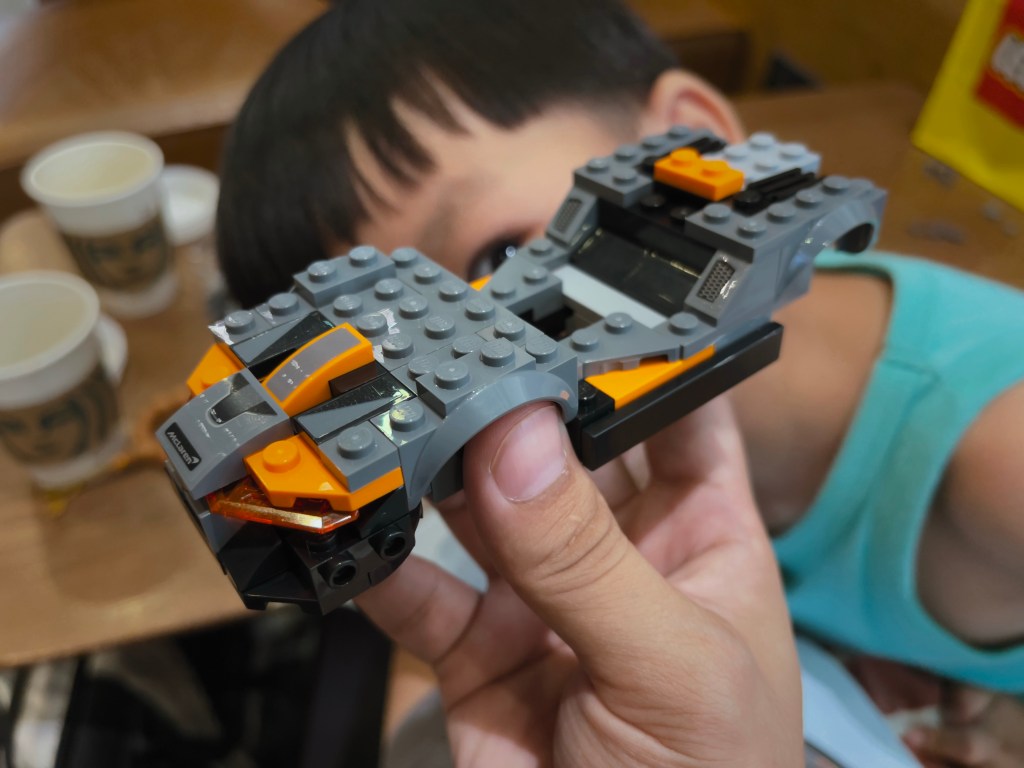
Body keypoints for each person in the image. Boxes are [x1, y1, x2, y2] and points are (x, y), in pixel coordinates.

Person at [214, 0, 1024, 764]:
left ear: (689, 146)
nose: (470, 339)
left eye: (497, 256)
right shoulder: (596, 459)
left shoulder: (1003, 462)